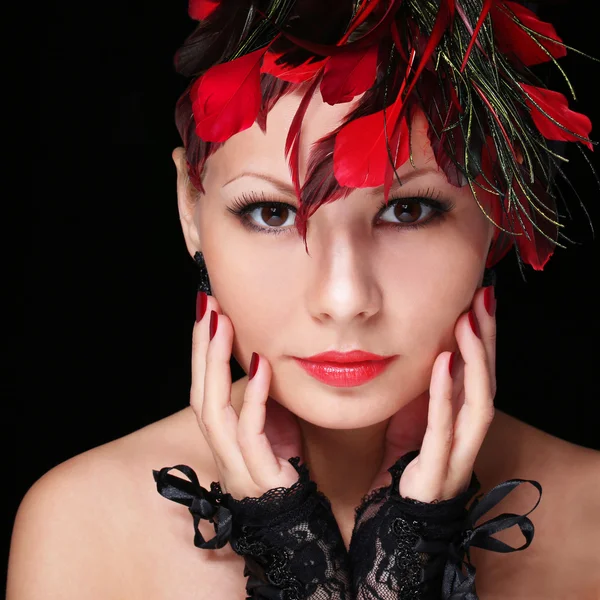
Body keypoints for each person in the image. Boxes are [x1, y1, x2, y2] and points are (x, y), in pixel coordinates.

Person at [8, 1, 600, 598]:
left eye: (408, 210)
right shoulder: (84, 527)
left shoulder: (592, 523)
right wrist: (289, 555)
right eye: (272, 213)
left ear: (497, 214)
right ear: (192, 211)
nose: (344, 300)